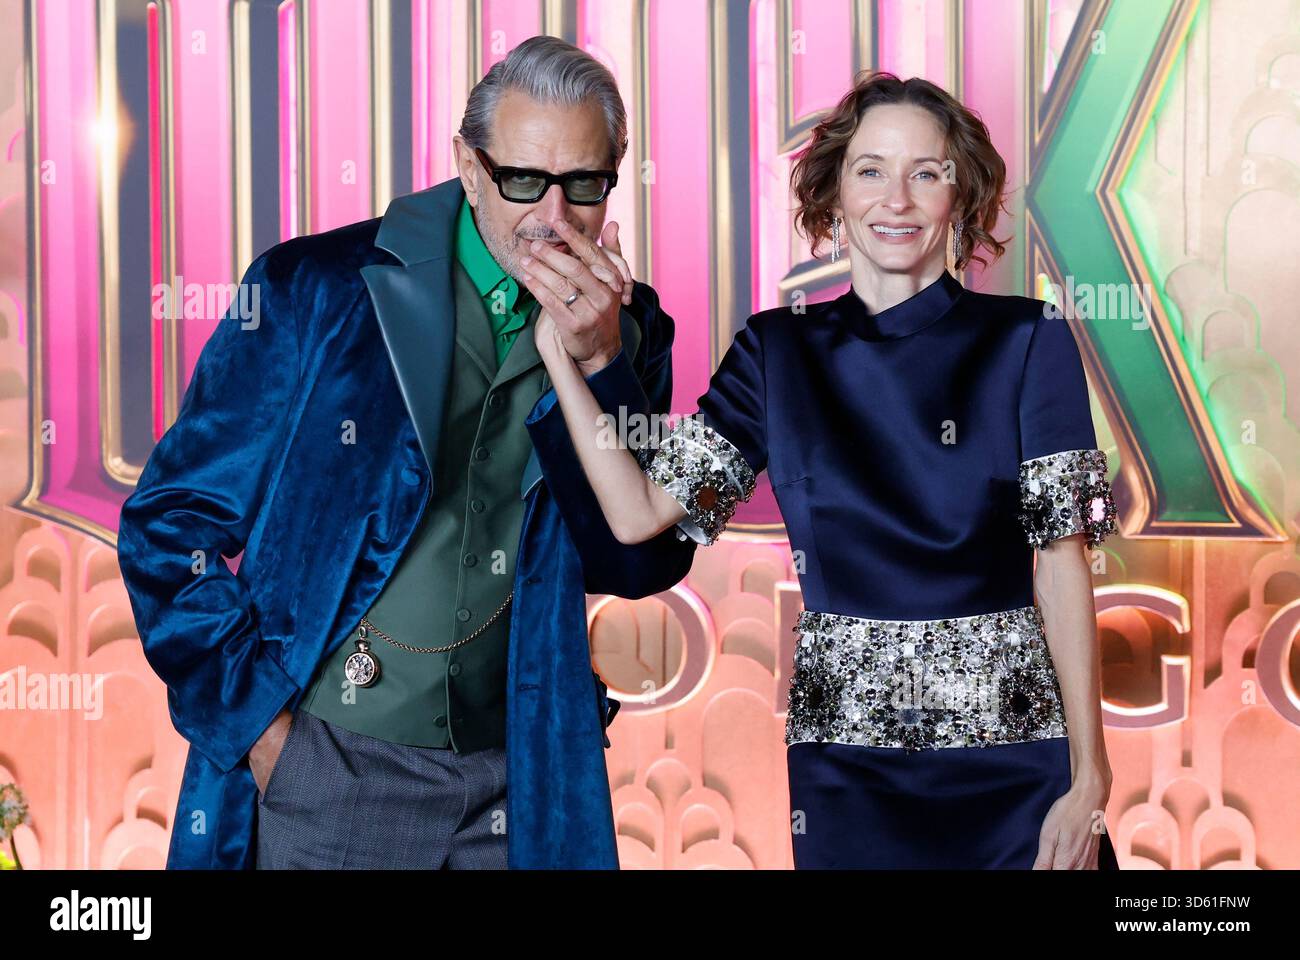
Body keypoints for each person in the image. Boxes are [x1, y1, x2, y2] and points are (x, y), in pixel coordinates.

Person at [116, 35, 696, 870]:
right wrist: (263, 734)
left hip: (521, 781)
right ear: (468, 167)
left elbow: (636, 564)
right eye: (523, 180)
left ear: (616, 175)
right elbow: (169, 525)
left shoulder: (629, 328)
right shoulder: (314, 288)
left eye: (585, 185)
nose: (554, 217)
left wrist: (602, 363)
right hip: (329, 773)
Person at [523, 71, 1121, 868]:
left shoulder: (1029, 339)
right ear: (834, 194)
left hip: (1017, 771)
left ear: (962, 193)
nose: (896, 200)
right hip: (848, 781)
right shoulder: (778, 352)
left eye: (927, 172)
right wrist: (564, 361)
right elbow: (637, 515)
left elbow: (1061, 567)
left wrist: (1091, 780)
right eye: (871, 170)